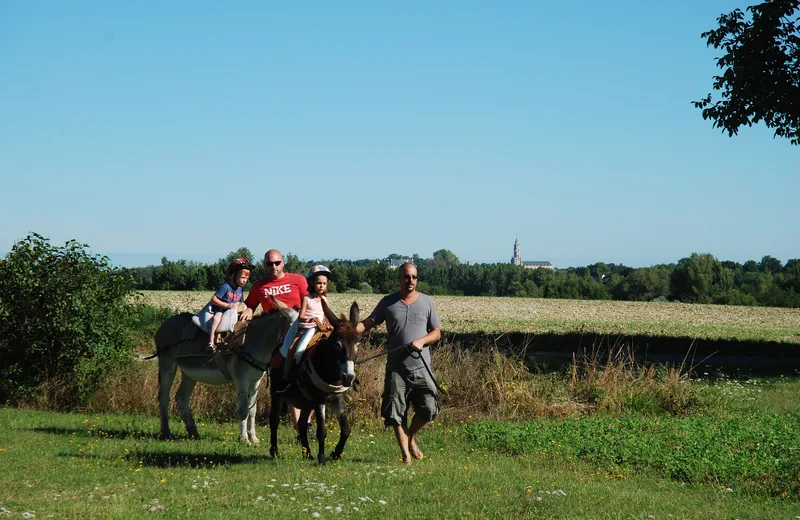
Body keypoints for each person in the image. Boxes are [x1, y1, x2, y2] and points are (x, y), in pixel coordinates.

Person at [356, 262, 441, 465]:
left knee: (429, 409)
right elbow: (368, 323)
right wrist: (348, 329)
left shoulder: (427, 302)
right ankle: (406, 456)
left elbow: (436, 333)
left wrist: (421, 341)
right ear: (399, 278)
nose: (410, 280)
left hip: (422, 367)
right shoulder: (388, 302)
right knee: (395, 414)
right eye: (406, 276)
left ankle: (411, 436)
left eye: (414, 277)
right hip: (396, 369)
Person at [239, 249, 309, 428]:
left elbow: (311, 301)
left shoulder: (298, 280)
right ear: (264, 265)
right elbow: (249, 306)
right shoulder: (259, 286)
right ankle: (301, 426)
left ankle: (305, 422)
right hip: (274, 341)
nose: (274, 267)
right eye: (270, 264)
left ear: (283, 263)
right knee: (287, 379)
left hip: (300, 333)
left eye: (277, 263)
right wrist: (247, 309)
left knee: (307, 378)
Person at [276, 264, 332, 393]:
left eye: (324, 283)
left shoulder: (325, 299)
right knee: (292, 349)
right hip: (306, 330)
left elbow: (327, 316)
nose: (321, 286)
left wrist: (328, 324)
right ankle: (286, 378)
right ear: (311, 283)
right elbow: (301, 316)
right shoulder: (307, 298)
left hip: (321, 330)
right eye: (319, 283)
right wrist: (310, 320)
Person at [193, 257, 253, 351]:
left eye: (247, 278)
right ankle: (211, 341)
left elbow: (241, 302)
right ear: (233, 275)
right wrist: (226, 305)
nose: (245, 280)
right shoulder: (225, 287)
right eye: (242, 277)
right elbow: (214, 299)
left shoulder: (239, 289)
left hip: (232, 311)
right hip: (221, 309)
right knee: (216, 319)